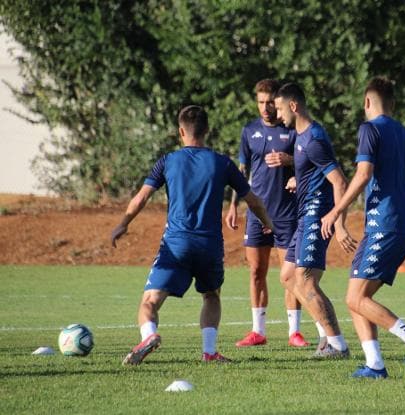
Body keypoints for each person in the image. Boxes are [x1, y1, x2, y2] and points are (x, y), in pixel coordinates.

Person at [111, 105, 273, 365]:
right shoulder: (222, 163)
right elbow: (253, 201)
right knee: (211, 295)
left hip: (176, 244)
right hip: (209, 245)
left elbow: (141, 197)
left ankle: (149, 335)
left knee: (150, 301)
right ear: (207, 130)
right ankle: (209, 352)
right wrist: (269, 224)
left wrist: (123, 223)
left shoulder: (168, 161)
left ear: (180, 132)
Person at [320, 77, 405, 380]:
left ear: (367, 103)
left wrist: (336, 210)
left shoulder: (369, 129)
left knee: (355, 298)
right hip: (402, 229)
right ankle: (374, 364)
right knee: (357, 294)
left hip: (382, 226)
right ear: (393, 104)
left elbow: (362, 175)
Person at [274, 82, 357, 358]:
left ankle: (338, 345)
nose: (278, 114)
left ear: (294, 106)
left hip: (317, 214)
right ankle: (326, 336)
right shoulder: (301, 136)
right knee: (288, 276)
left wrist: (340, 223)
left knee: (306, 279)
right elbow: (318, 172)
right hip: (304, 214)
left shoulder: (312, 139)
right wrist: (301, 179)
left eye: (280, 108)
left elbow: (339, 181)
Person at [225, 79, 309, 348]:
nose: (265, 107)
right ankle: (258, 331)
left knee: (291, 275)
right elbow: (241, 172)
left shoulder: (292, 129)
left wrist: (290, 162)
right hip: (256, 211)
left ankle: (294, 332)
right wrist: (233, 205)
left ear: (278, 101)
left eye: (269, 102)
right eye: (260, 102)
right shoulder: (249, 131)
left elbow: (309, 162)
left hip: (286, 212)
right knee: (256, 271)